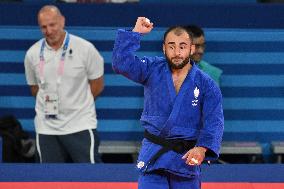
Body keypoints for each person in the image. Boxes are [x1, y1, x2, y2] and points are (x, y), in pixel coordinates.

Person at [112, 17, 224, 189]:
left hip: (185, 160)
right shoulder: (151, 68)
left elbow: (214, 121)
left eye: (182, 46)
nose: (177, 52)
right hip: (154, 156)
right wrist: (135, 33)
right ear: (164, 48)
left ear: (191, 49)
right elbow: (121, 64)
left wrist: (202, 148)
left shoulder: (206, 83)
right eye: (171, 46)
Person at [24, 5, 104, 163]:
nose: (49, 31)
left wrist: (77, 105)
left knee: (89, 179)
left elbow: (97, 84)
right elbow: (34, 89)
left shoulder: (85, 49)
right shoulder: (32, 54)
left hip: (80, 124)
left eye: (52, 25)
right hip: (46, 127)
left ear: (62, 21)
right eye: (43, 27)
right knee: (48, 180)